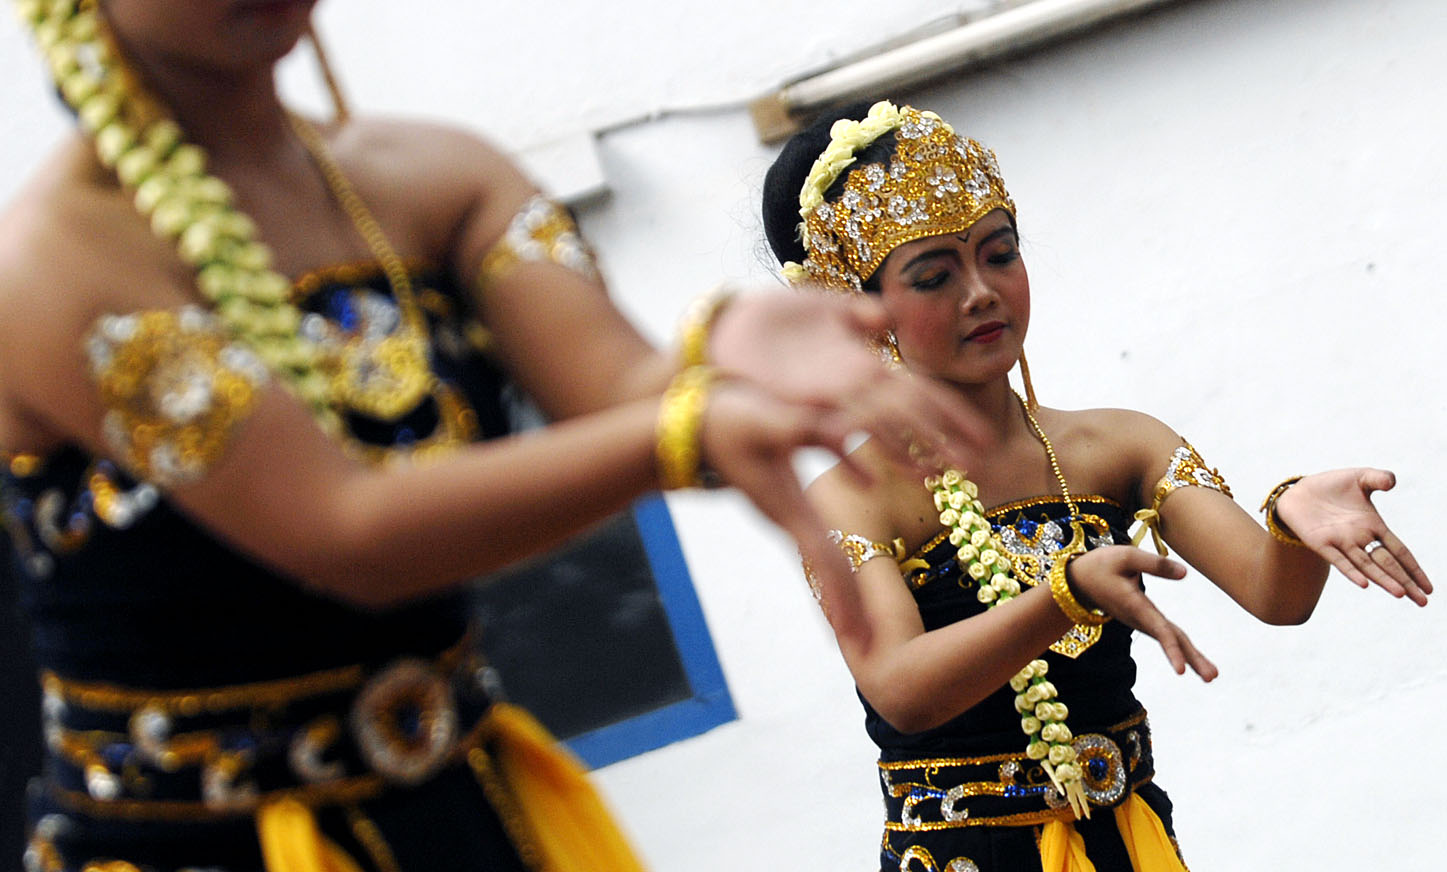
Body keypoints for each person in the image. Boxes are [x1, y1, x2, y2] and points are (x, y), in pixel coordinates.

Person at [0, 4, 994, 870]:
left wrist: (717, 347)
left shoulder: (433, 177)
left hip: (467, 808)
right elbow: (352, 533)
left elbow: (621, 390)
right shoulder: (53, 261)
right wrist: (686, 427)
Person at [761, 100, 1432, 872]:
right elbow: (901, 689)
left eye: (999, 253)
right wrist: (1063, 594)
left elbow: (1274, 596)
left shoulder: (1119, 445)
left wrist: (1285, 516)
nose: (980, 291)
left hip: (1130, 841)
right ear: (854, 311)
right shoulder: (851, 499)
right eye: (934, 274)